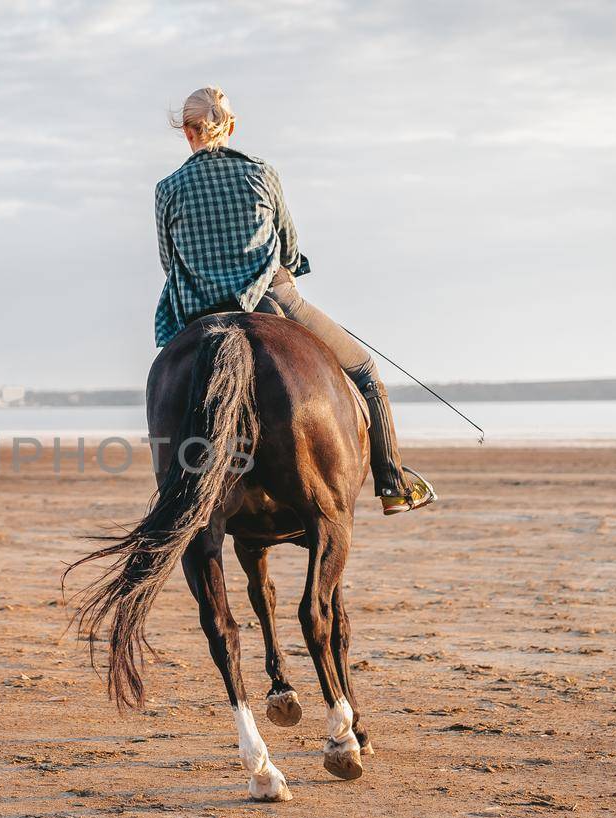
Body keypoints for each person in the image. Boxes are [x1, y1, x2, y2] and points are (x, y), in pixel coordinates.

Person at [154, 86, 436, 515]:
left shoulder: (167, 189)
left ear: (188, 131)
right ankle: (393, 482)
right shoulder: (260, 174)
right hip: (274, 300)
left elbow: (168, 264)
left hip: (201, 316)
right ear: (231, 127)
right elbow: (288, 251)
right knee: (365, 371)